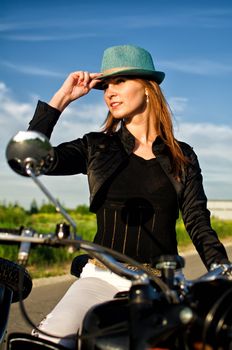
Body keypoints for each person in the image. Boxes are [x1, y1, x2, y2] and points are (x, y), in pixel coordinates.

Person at [27, 44, 230, 348]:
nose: (109, 91)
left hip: (161, 286)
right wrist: (62, 98)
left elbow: (198, 224)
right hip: (99, 278)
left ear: (148, 88)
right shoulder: (95, 147)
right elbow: (30, 158)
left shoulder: (182, 156)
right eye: (106, 85)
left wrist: (222, 274)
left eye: (120, 81)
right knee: (45, 344)